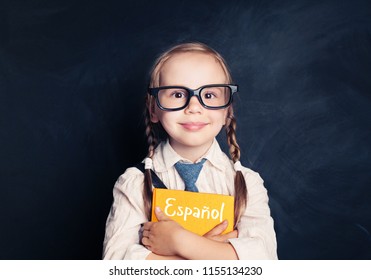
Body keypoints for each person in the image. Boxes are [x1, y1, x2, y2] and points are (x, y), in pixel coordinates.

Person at [103, 42, 277, 260]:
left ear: (227, 111)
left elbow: (263, 263)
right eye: (177, 94)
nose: (194, 106)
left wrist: (179, 241)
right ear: (153, 109)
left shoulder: (247, 184)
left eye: (210, 95)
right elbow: (116, 264)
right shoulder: (134, 184)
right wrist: (214, 252)